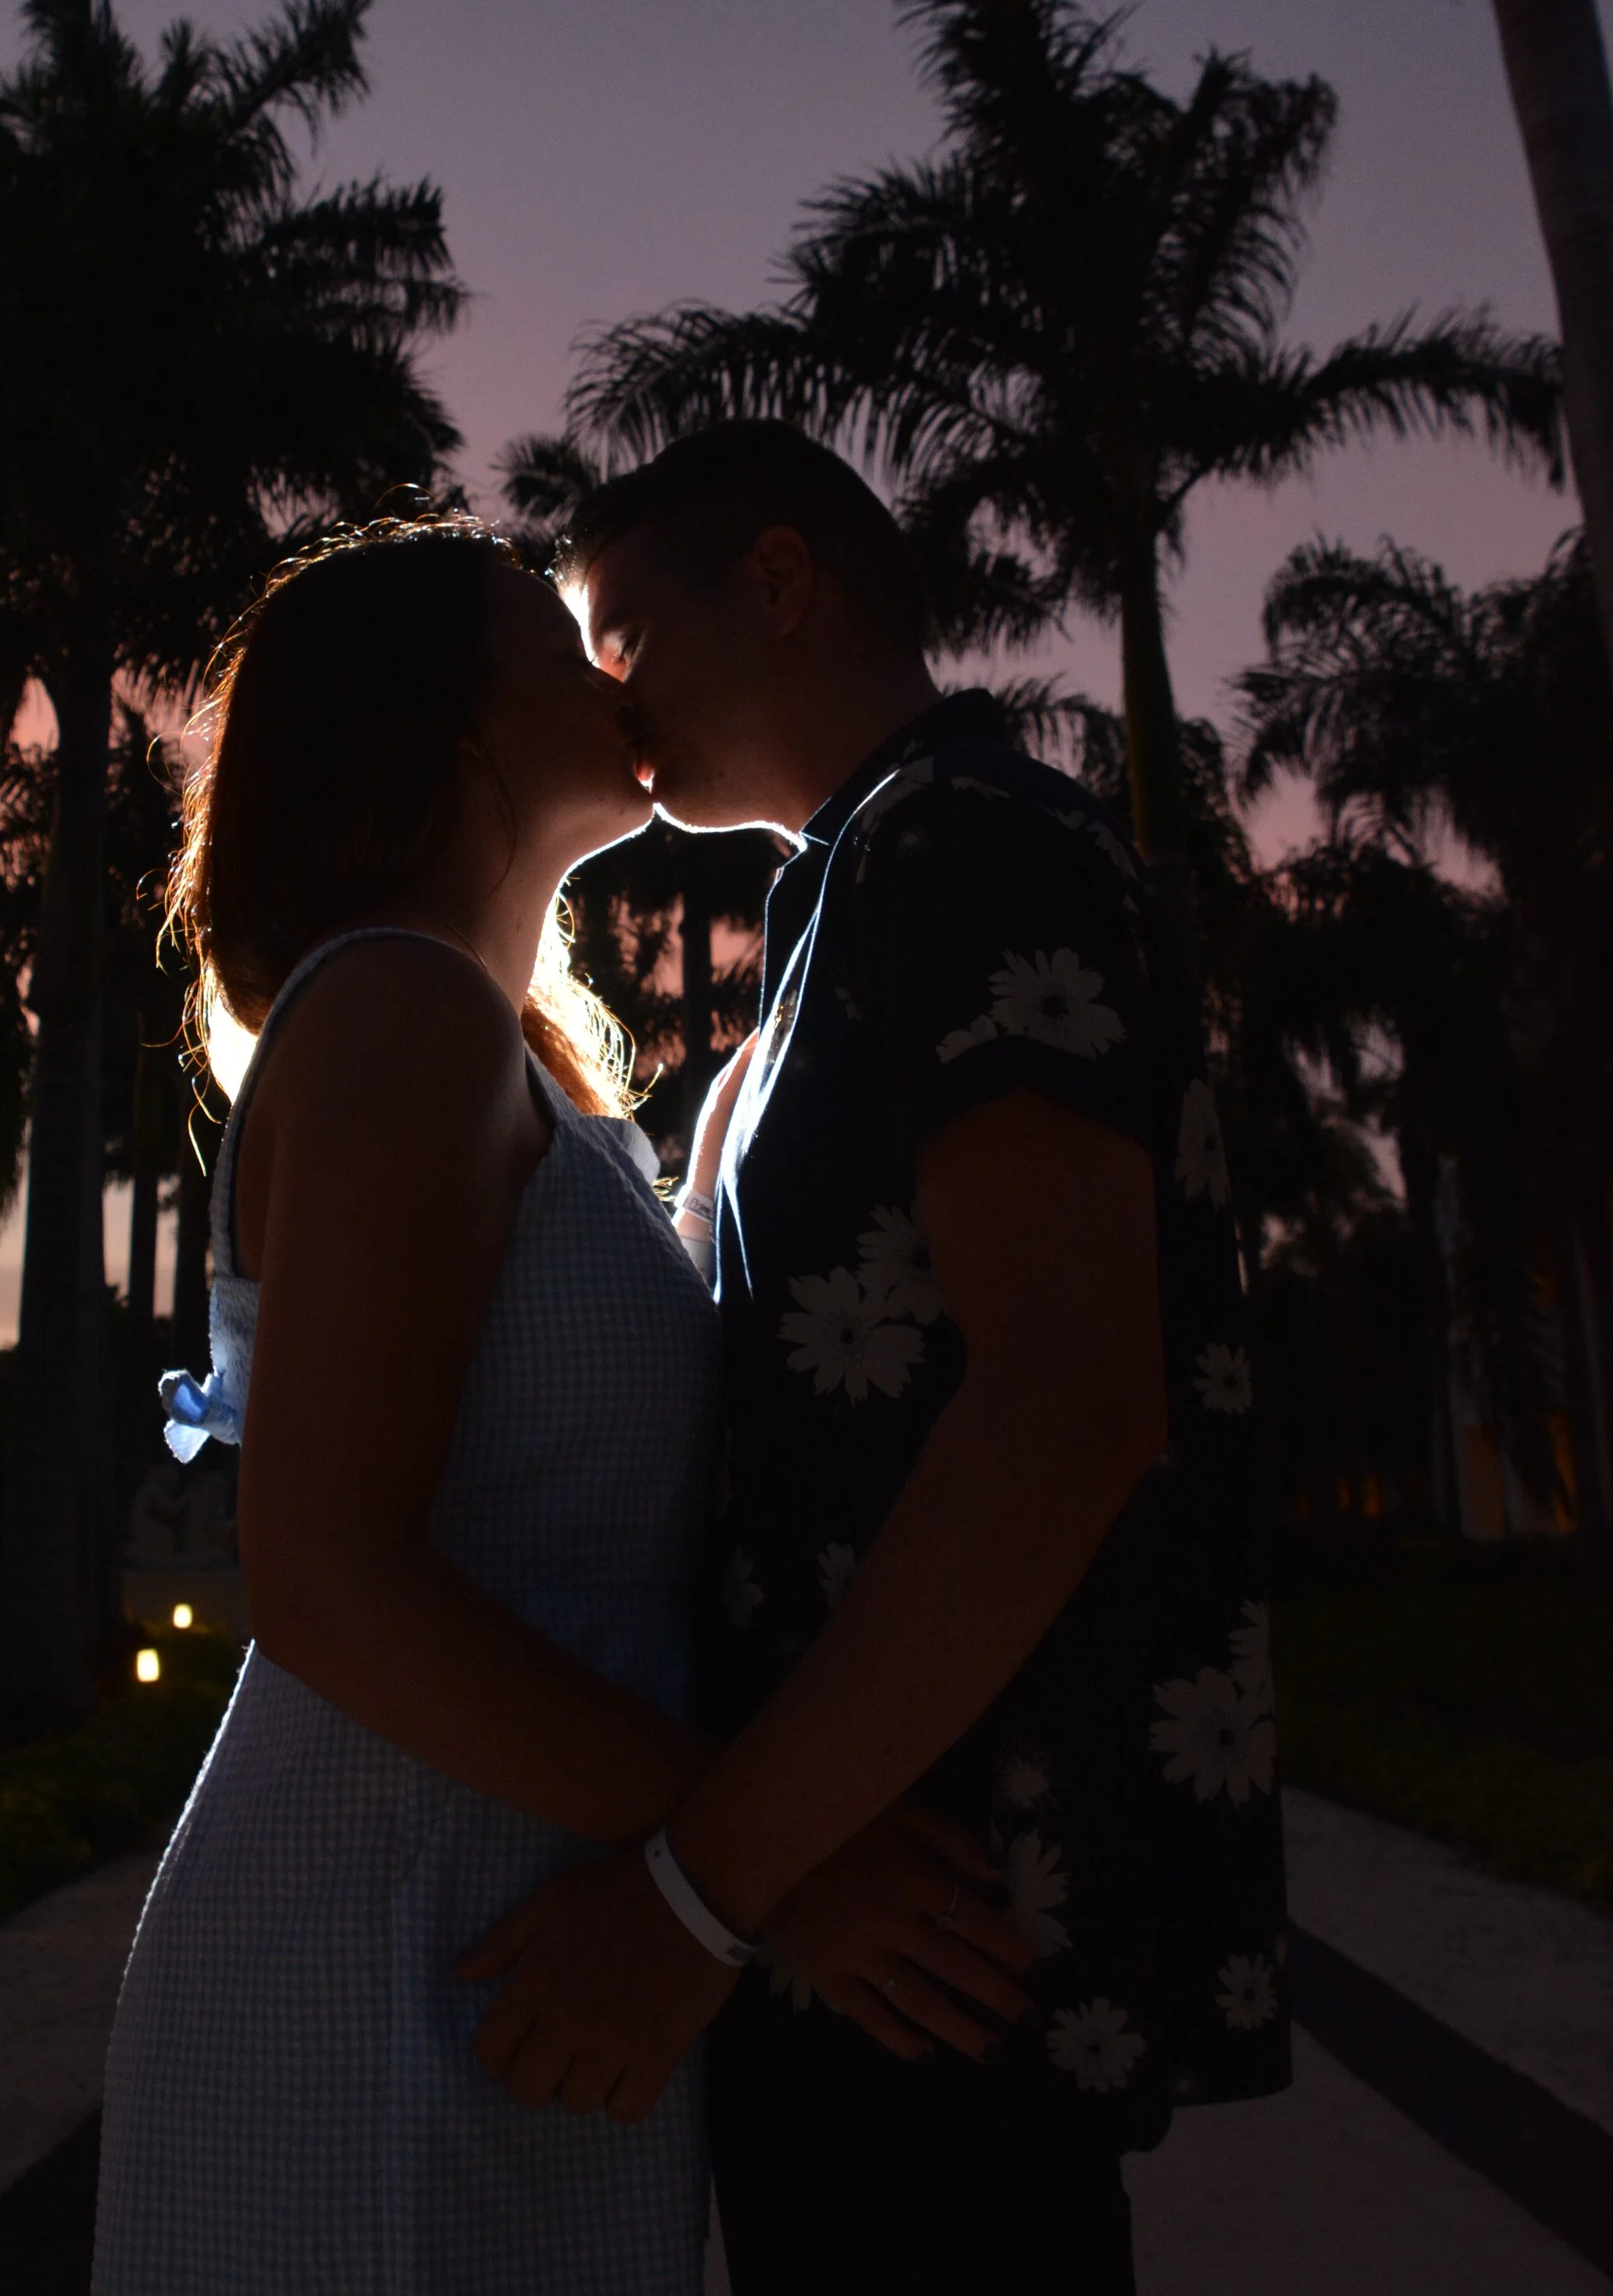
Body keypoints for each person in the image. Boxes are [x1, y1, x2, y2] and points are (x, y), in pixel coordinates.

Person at [92, 511, 1016, 2296]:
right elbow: (327, 1582)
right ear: (452, 727)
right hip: (374, 1960)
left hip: (513, 1959)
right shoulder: (394, 1014)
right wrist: (752, 1861)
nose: (607, 668)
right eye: (549, 640)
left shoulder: (492, 1047)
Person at [465, 425, 1289, 2296]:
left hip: (943, 1933)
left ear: (773, 583)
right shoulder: (865, 887)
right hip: (884, 1917)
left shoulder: (962, 851)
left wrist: (697, 1892)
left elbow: (1066, 1403)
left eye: (620, 638)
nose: (613, 697)